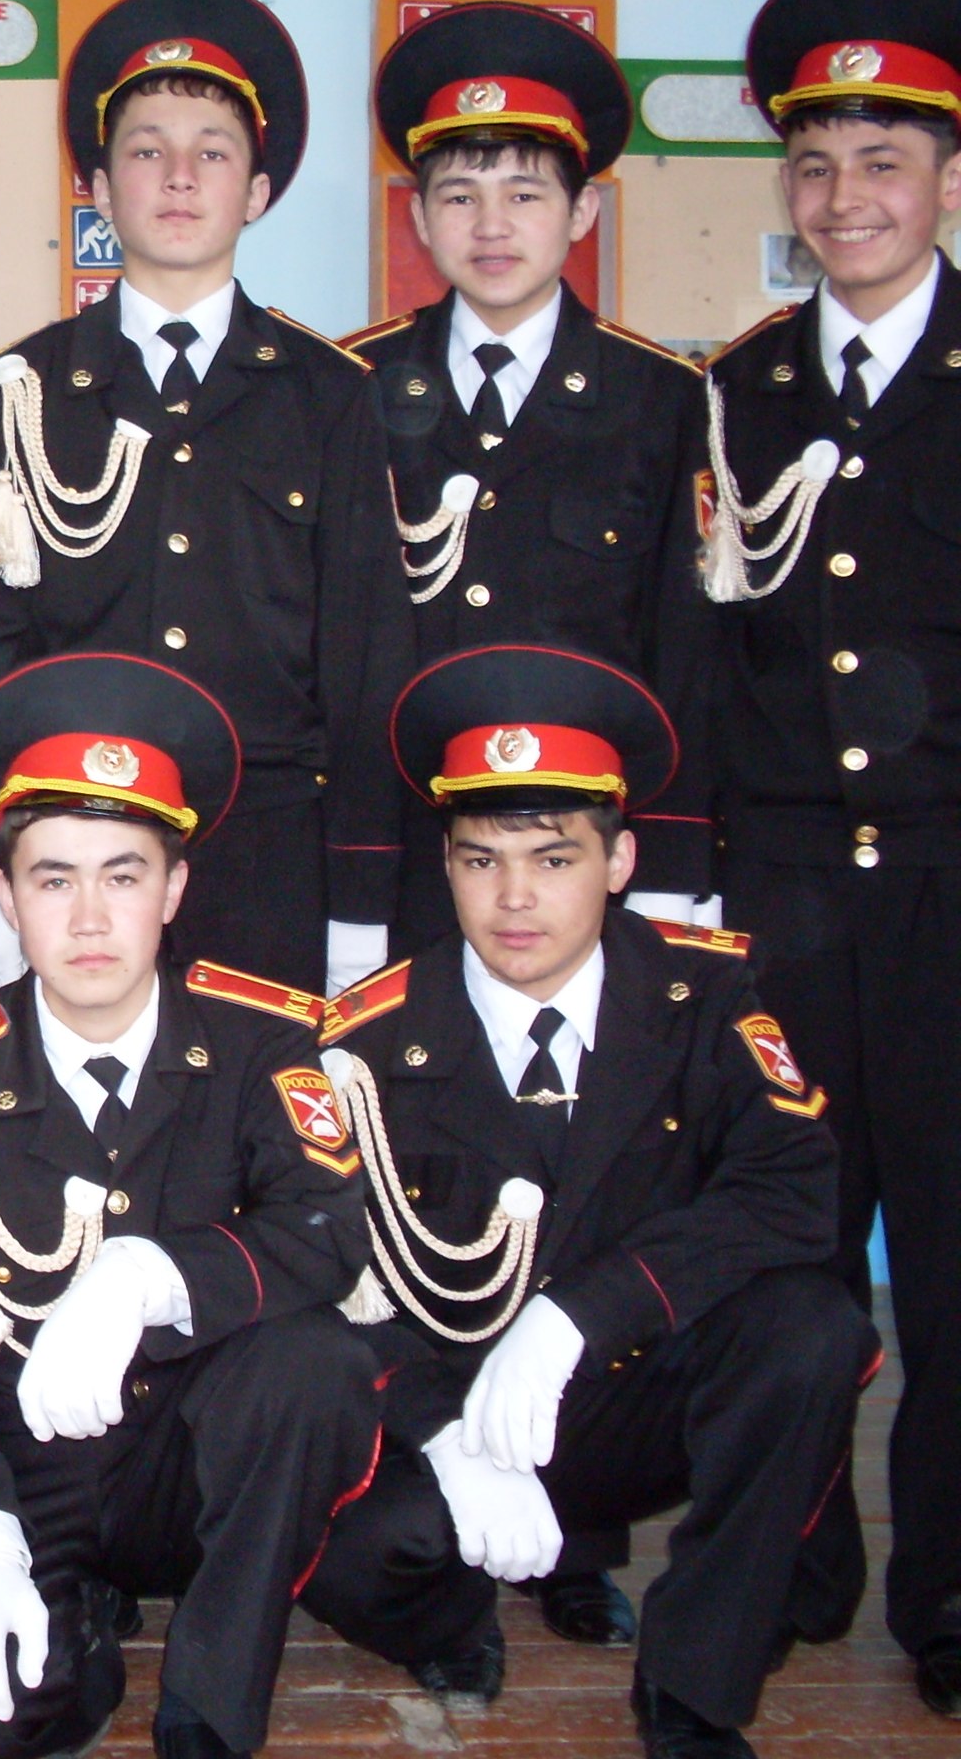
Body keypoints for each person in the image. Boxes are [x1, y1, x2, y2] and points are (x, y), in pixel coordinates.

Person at [298, 646, 877, 1759]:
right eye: (481, 860)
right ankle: (452, 1616)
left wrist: (582, 1313)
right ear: (446, 865)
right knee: (354, 1551)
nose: (514, 898)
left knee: (811, 1327)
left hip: (628, 1391)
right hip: (459, 1412)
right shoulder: (362, 1042)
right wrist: (440, 1430)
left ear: (618, 862)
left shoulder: (704, 995)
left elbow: (795, 1192)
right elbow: (320, 1275)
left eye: (553, 858)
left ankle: (696, 1684)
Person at [0, 653, 376, 1759]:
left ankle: (210, 1702)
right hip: (23, 1467)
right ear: (5, 899)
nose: (91, 917)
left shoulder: (263, 1044)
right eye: (54, 880)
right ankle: (76, 1639)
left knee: (315, 1364)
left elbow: (328, 1226)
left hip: (196, 1467)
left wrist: (148, 1274)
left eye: (124, 875)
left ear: (175, 891)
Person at [0, 0, 411, 1004]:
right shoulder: (21, 389)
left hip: (269, 851)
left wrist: (358, 897)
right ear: (98, 187)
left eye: (214, 152)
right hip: (72, 844)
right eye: (146, 151)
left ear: (257, 191)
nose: (179, 178)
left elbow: (365, 660)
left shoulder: (330, 394)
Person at [697, 0, 961, 1718]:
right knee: (791, 1251)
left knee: (951, 1261)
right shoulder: (742, 391)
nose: (846, 196)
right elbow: (720, 655)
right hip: (788, 896)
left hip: (952, 885)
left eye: (883, 161)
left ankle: (948, 1588)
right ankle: (800, 1565)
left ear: (947, 178)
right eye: (815, 165)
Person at [349, 1, 718, 970]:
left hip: (587, 860)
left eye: (524, 193)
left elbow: (684, 652)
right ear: (418, 215)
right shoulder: (352, 389)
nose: (492, 226)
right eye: (459, 195)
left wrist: (671, 869)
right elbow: (339, 663)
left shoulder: (663, 399)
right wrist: (353, 882)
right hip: (412, 855)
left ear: (582, 212)